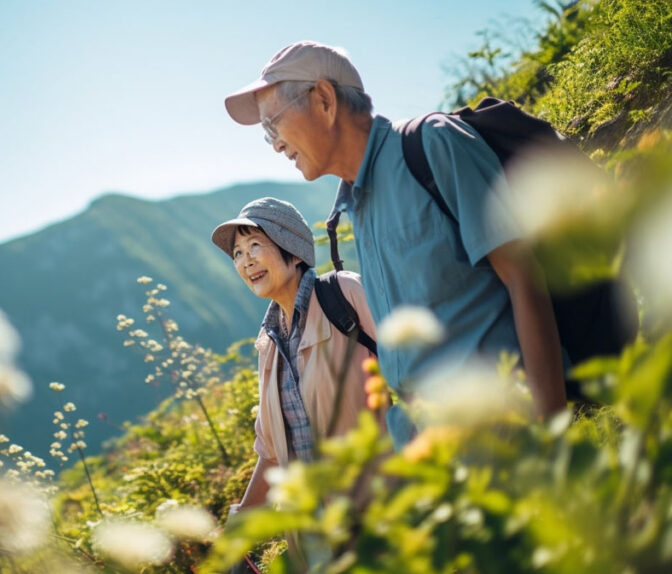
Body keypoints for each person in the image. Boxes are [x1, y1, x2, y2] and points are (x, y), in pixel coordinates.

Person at [223, 41, 566, 448]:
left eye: (273, 124)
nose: (276, 144)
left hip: (503, 440)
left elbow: (525, 279)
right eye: (267, 135)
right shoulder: (354, 203)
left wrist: (553, 438)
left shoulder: (434, 146)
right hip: (429, 461)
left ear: (324, 100)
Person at [210, 197, 379, 514]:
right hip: (315, 535)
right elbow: (271, 453)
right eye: (237, 253)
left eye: (255, 245)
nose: (246, 261)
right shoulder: (268, 343)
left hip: (381, 511)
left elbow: (413, 373)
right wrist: (242, 520)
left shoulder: (344, 294)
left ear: (290, 246)